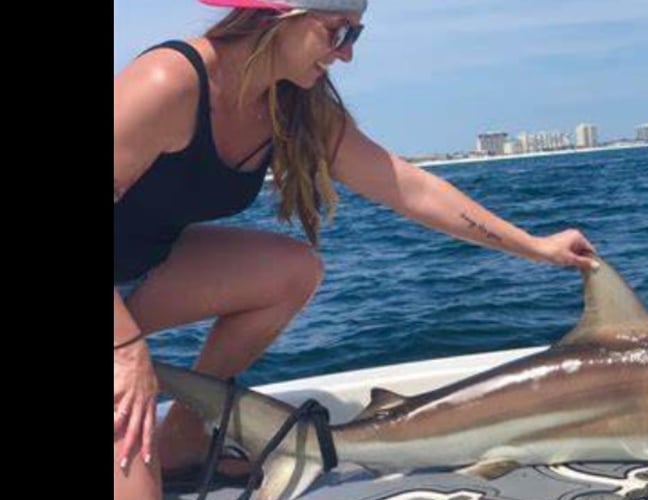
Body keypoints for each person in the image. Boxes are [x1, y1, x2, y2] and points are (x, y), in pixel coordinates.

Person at [113, 1, 598, 497]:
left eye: (355, 37)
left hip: (142, 273)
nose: (345, 55)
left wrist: (535, 248)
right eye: (337, 31)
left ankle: (182, 441)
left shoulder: (292, 103)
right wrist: (126, 349)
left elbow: (409, 188)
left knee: (291, 273)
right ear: (281, 14)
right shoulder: (169, 82)